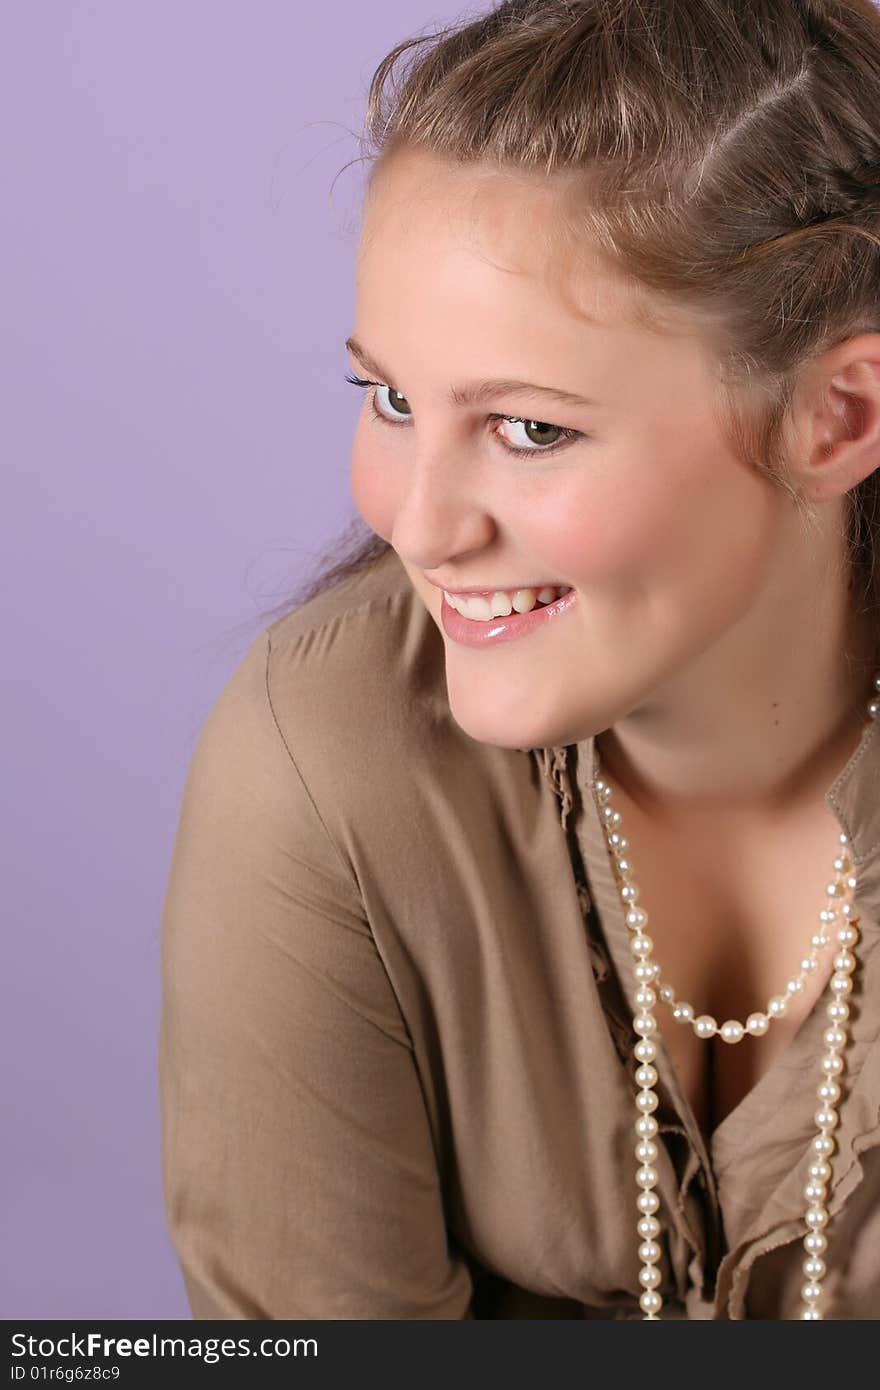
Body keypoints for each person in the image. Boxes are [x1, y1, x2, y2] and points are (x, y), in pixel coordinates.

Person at [159, 0, 880, 1318]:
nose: (417, 523)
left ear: (837, 416)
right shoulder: (321, 765)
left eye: (532, 428)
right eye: (390, 398)